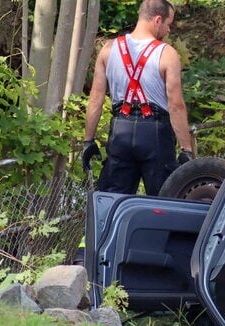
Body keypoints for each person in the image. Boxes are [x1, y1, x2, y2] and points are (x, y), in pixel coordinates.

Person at [82, 0, 195, 196]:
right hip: (156, 134)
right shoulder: (167, 54)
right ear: (157, 20)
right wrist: (187, 149)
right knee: (164, 201)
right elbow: (176, 105)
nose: (169, 30)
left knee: (113, 200)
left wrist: (88, 140)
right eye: (169, 24)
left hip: (120, 132)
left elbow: (95, 100)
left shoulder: (108, 50)